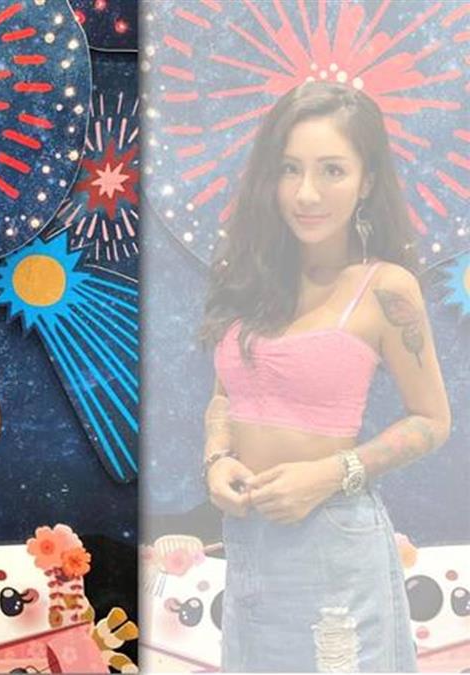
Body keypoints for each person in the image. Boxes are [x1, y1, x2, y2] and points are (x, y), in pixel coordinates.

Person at [199, 81, 451, 671]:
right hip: (248, 543)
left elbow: (432, 420)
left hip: (334, 544)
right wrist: (216, 459)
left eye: (332, 170)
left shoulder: (386, 288)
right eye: (290, 169)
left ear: (366, 181)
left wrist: (328, 475)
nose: (306, 193)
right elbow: (224, 397)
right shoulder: (247, 279)